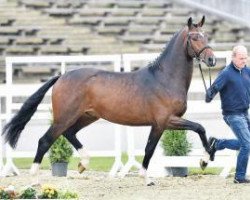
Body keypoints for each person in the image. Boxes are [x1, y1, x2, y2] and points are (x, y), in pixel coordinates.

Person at [206, 45, 250, 184]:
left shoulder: (247, 71)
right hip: (232, 114)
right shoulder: (226, 73)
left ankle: (217, 144)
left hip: (244, 112)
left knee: (246, 143)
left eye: (246, 57)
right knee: (247, 144)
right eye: (241, 58)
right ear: (233, 57)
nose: (244, 60)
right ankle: (239, 177)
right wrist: (209, 95)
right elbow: (214, 89)